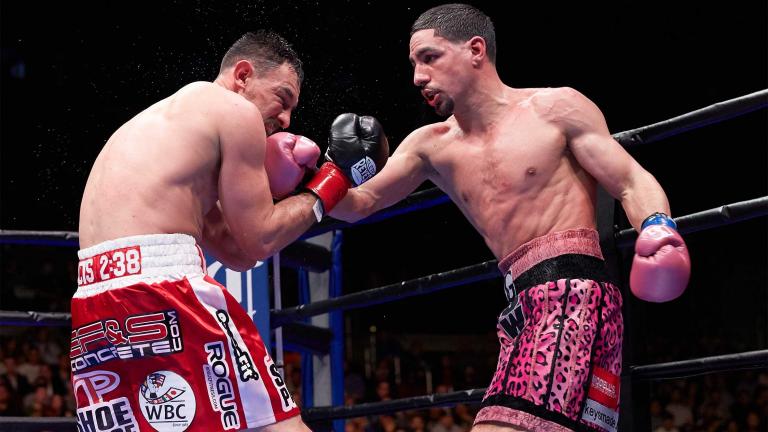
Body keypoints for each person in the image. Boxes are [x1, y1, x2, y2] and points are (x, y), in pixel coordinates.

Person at [329, 4, 690, 432]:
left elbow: (630, 179)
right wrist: (328, 168)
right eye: (413, 63)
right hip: (520, 309)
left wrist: (658, 227)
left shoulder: (554, 109)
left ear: (476, 50)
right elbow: (356, 204)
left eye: (429, 57)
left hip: (574, 298)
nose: (417, 77)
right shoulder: (430, 146)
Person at [74, 31, 387, 431]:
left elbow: (240, 253)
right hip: (162, 291)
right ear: (243, 76)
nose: (287, 119)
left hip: (95, 304)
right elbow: (262, 238)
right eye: (283, 97)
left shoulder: (164, 130)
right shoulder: (233, 112)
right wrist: (332, 181)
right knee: (280, 425)